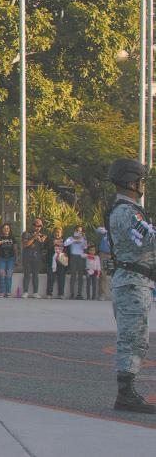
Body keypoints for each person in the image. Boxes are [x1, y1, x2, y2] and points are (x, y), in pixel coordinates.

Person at [104, 157, 156, 414]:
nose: (142, 184)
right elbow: (149, 241)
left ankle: (127, 391)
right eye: (140, 180)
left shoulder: (126, 210)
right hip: (132, 284)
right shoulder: (127, 212)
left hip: (135, 282)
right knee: (132, 337)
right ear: (131, 182)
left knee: (136, 337)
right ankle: (125, 394)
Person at [21, 218, 50, 298]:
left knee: (35, 275)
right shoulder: (26, 234)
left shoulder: (42, 235)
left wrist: (43, 241)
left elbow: (44, 249)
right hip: (27, 257)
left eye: (39, 226)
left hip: (37, 258)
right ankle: (25, 292)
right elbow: (25, 245)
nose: (37, 227)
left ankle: (35, 292)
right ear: (33, 225)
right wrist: (34, 238)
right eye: (35, 225)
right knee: (27, 274)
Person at [0, 223, 17, 298]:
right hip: (1, 258)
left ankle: (8, 292)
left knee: (9, 275)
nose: (6, 229)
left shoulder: (12, 238)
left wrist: (16, 258)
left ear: (9, 229)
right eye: (5, 228)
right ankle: (2, 292)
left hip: (11, 258)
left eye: (7, 228)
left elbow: (15, 248)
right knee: (2, 275)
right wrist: (2, 241)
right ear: (2, 229)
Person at [66, 225, 88, 300]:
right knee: (73, 275)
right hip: (73, 257)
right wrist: (74, 239)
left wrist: (83, 239)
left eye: (80, 231)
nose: (78, 232)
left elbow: (85, 247)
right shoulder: (70, 238)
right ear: (74, 231)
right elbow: (66, 244)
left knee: (80, 276)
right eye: (77, 230)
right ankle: (71, 293)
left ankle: (79, 294)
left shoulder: (83, 239)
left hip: (80, 257)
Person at [47, 226, 67, 299]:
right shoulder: (50, 240)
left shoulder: (65, 242)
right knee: (50, 278)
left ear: (61, 233)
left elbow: (67, 252)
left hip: (61, 261)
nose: (57, 234)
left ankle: (61, 294)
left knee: (61, 279)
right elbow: (47, 250)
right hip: (52, 262)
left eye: (58, 232)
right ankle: (49, 293)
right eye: (56, 232)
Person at [97, 226, 112, 300]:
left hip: (112, 255)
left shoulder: (116, 230)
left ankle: (115, 294)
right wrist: (106, 230)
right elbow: (98, 230)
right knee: (103, 274)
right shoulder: (105, 230)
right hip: (103, 254)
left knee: (114, 274)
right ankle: (102, 294)